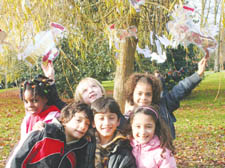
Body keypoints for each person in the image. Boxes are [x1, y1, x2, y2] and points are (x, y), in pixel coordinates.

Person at [124, 57, 208, 139]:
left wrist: (198, 74)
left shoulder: (163, 106)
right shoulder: (128, 115)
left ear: (154, 94)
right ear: (132, 93)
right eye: (139, 93)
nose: (143, 97)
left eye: (148, 94)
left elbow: (179, 89)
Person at [6, 102, 93, 168]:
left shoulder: (81, 149)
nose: (83, 127)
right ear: (65, 119)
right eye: (78, 120)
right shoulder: (43, 134)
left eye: (87, 124)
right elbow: (15, 160)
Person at [85, 96, 136, 168]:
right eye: (101, 118)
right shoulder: (85, 145)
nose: (106, 123)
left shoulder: (124, 150)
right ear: (93, 122)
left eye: (111, 118)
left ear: (118, 121)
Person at [19, 75, 61, 139]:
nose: (30, 105)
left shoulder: (55, 117)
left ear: (45, 98)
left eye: (34, 100)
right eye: (26, 101)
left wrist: (46, 127)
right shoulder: (28, 118)